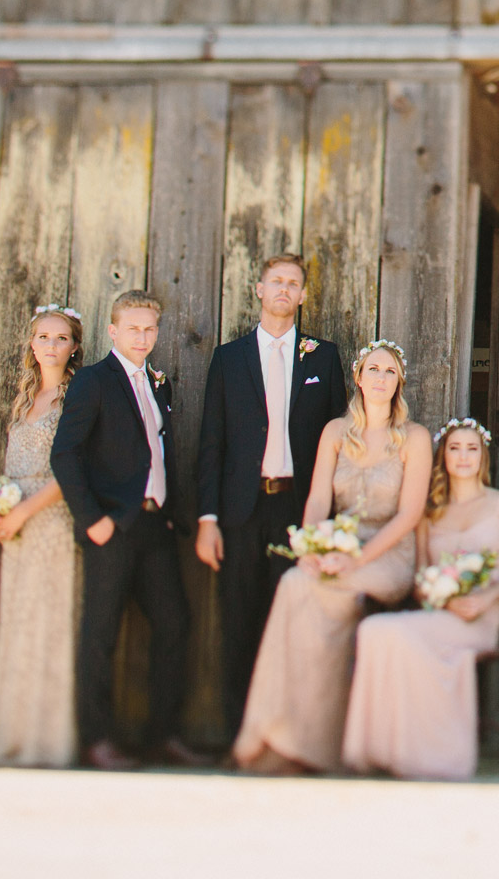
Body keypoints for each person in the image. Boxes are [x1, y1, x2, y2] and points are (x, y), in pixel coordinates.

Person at [232, 338, 426, 774]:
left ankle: (318, 742)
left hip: (388, 553)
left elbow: (409, 515)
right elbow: (319, 499)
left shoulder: (413, 438)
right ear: (357, 378)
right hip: (339, 542)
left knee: (331, 598)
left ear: (399, 383)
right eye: (372, 370)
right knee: (294, 583)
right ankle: (272, 729)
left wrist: (354, 561)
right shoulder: (335, 432)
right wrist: (313, 545)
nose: (380, 378)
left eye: (389, 372)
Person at [48, 291, 213, 771]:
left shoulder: (156, 383)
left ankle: (162, 735)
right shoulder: (94, 382)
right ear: (114, 331)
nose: (143, 337)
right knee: (100, 632)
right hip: (112, 526)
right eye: (133, 329)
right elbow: (65, 454)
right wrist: (92, 519)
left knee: (175, 623)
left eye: (150, 330)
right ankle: (96, 739)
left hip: (155, 525)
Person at [194, 253, 347, 742]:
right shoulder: (228, 357)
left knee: (293, 623)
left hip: (297, 508)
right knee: (238, 622)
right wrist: (208, 519)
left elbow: (336, 440)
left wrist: (327, 521)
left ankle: (291, 733)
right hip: (241, 508)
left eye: (294, 283)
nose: (284, 289)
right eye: (276, 281)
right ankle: (243, 735)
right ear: (259, 290)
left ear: (303, 296)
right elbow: (211, 442)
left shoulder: (323, 357)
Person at [343, 418, 499, 780]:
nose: (463, 457)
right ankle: (384, 748)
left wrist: (485, 597)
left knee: (397, 635)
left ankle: (434, 753)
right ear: (443, 457)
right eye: (454, 449)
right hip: (441, 613)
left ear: (483, 457)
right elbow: (421, 579)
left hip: (481, 618)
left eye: (471, 449)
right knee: (374, 629)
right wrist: (442, 598)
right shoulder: (430, 513)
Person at [0, 305, 85, 767]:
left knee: (50, 622)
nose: (50, 345)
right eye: (43, 337)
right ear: (31, 344)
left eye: (60, 338)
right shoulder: (24, 399)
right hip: (17, 526)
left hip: (51, 522)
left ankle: (48, 741)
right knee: (19, 622)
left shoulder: (75, 399)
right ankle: (13, 736)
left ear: (74, 347)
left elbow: (74, 473)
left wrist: (24, 510)